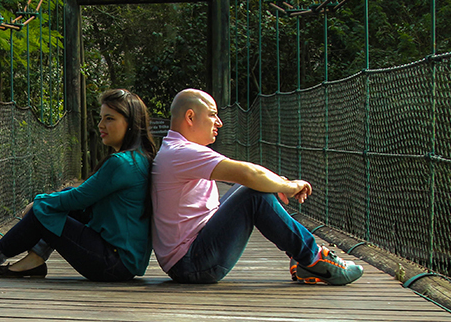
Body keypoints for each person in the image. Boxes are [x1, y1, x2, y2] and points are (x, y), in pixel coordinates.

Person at [152, 88, 363, 285]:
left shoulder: (174, 150)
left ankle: (304, 260)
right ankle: (314, 259)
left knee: (248, 188)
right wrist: (288, 186)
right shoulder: (181, 152)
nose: (219, 122)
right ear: (190, 117)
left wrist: (272, 183)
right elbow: (249, 174)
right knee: (253, 194)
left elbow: (249, 178)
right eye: (212, 115)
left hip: (189, 258)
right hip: (192, 263)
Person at [0, 88, 155, 281]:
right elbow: (78, 197)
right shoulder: (139, 158)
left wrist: (38, 203)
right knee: (60, 199)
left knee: (45, 209)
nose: (101, 125)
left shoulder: (121, 163)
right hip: (124, 260)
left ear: (130, 123)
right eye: (101, 118)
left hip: (114, 263)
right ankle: (33, 260)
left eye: (109, 118)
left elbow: (79, 198)